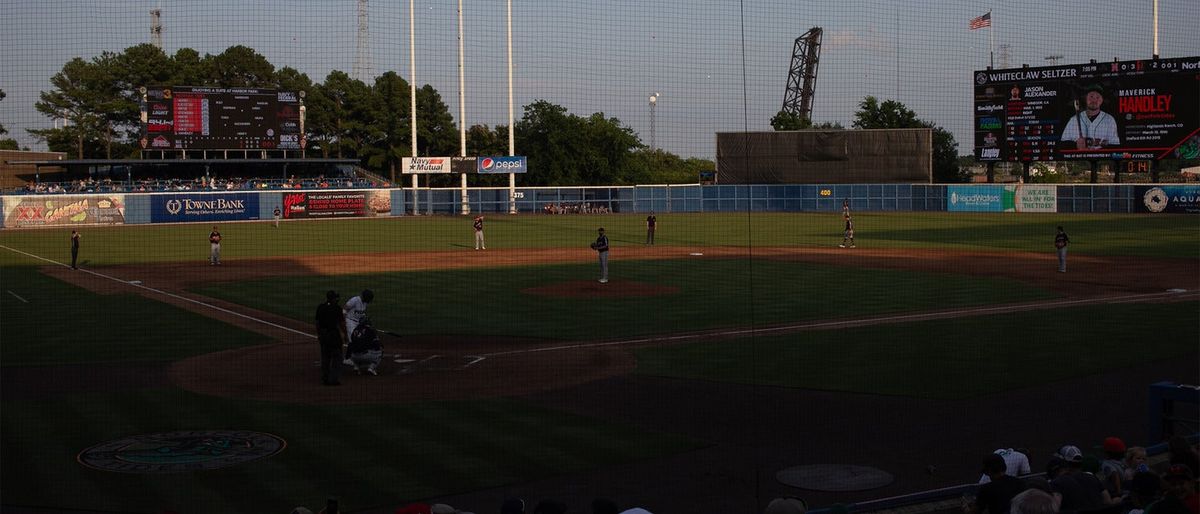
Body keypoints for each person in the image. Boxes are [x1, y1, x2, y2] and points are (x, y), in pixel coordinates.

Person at [1060, 84, 1120, 149]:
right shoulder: (1073, 120)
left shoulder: (1109, 120)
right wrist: (1075, 145)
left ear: (1102, 100)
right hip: (1079, 158)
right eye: (1091, 96)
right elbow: (1063, 145)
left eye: (1097, 97)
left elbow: (1115, 146)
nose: (1094, 100)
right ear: (1086, 98)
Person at [315, 290, 347, 386]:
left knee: (325, 357)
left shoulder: (320, 307)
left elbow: (317, 323)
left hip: (323, 334)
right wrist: (345, 335)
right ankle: (333, 379)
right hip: (333, 335)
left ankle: (325, 378)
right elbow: (341, 324)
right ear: (333, 298)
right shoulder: (337, 308)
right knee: (337, 357)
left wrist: (319, 334)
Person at [342, 289, 374, 364]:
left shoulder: (365, 303)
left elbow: (362, 314)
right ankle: (347, 358)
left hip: (358, 323)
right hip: (350, 321)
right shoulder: (355, 300)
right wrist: (344, 320)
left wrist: (365, 320)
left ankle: (358, 356)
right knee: (352, 339)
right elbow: (344, 309)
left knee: (361, 338)